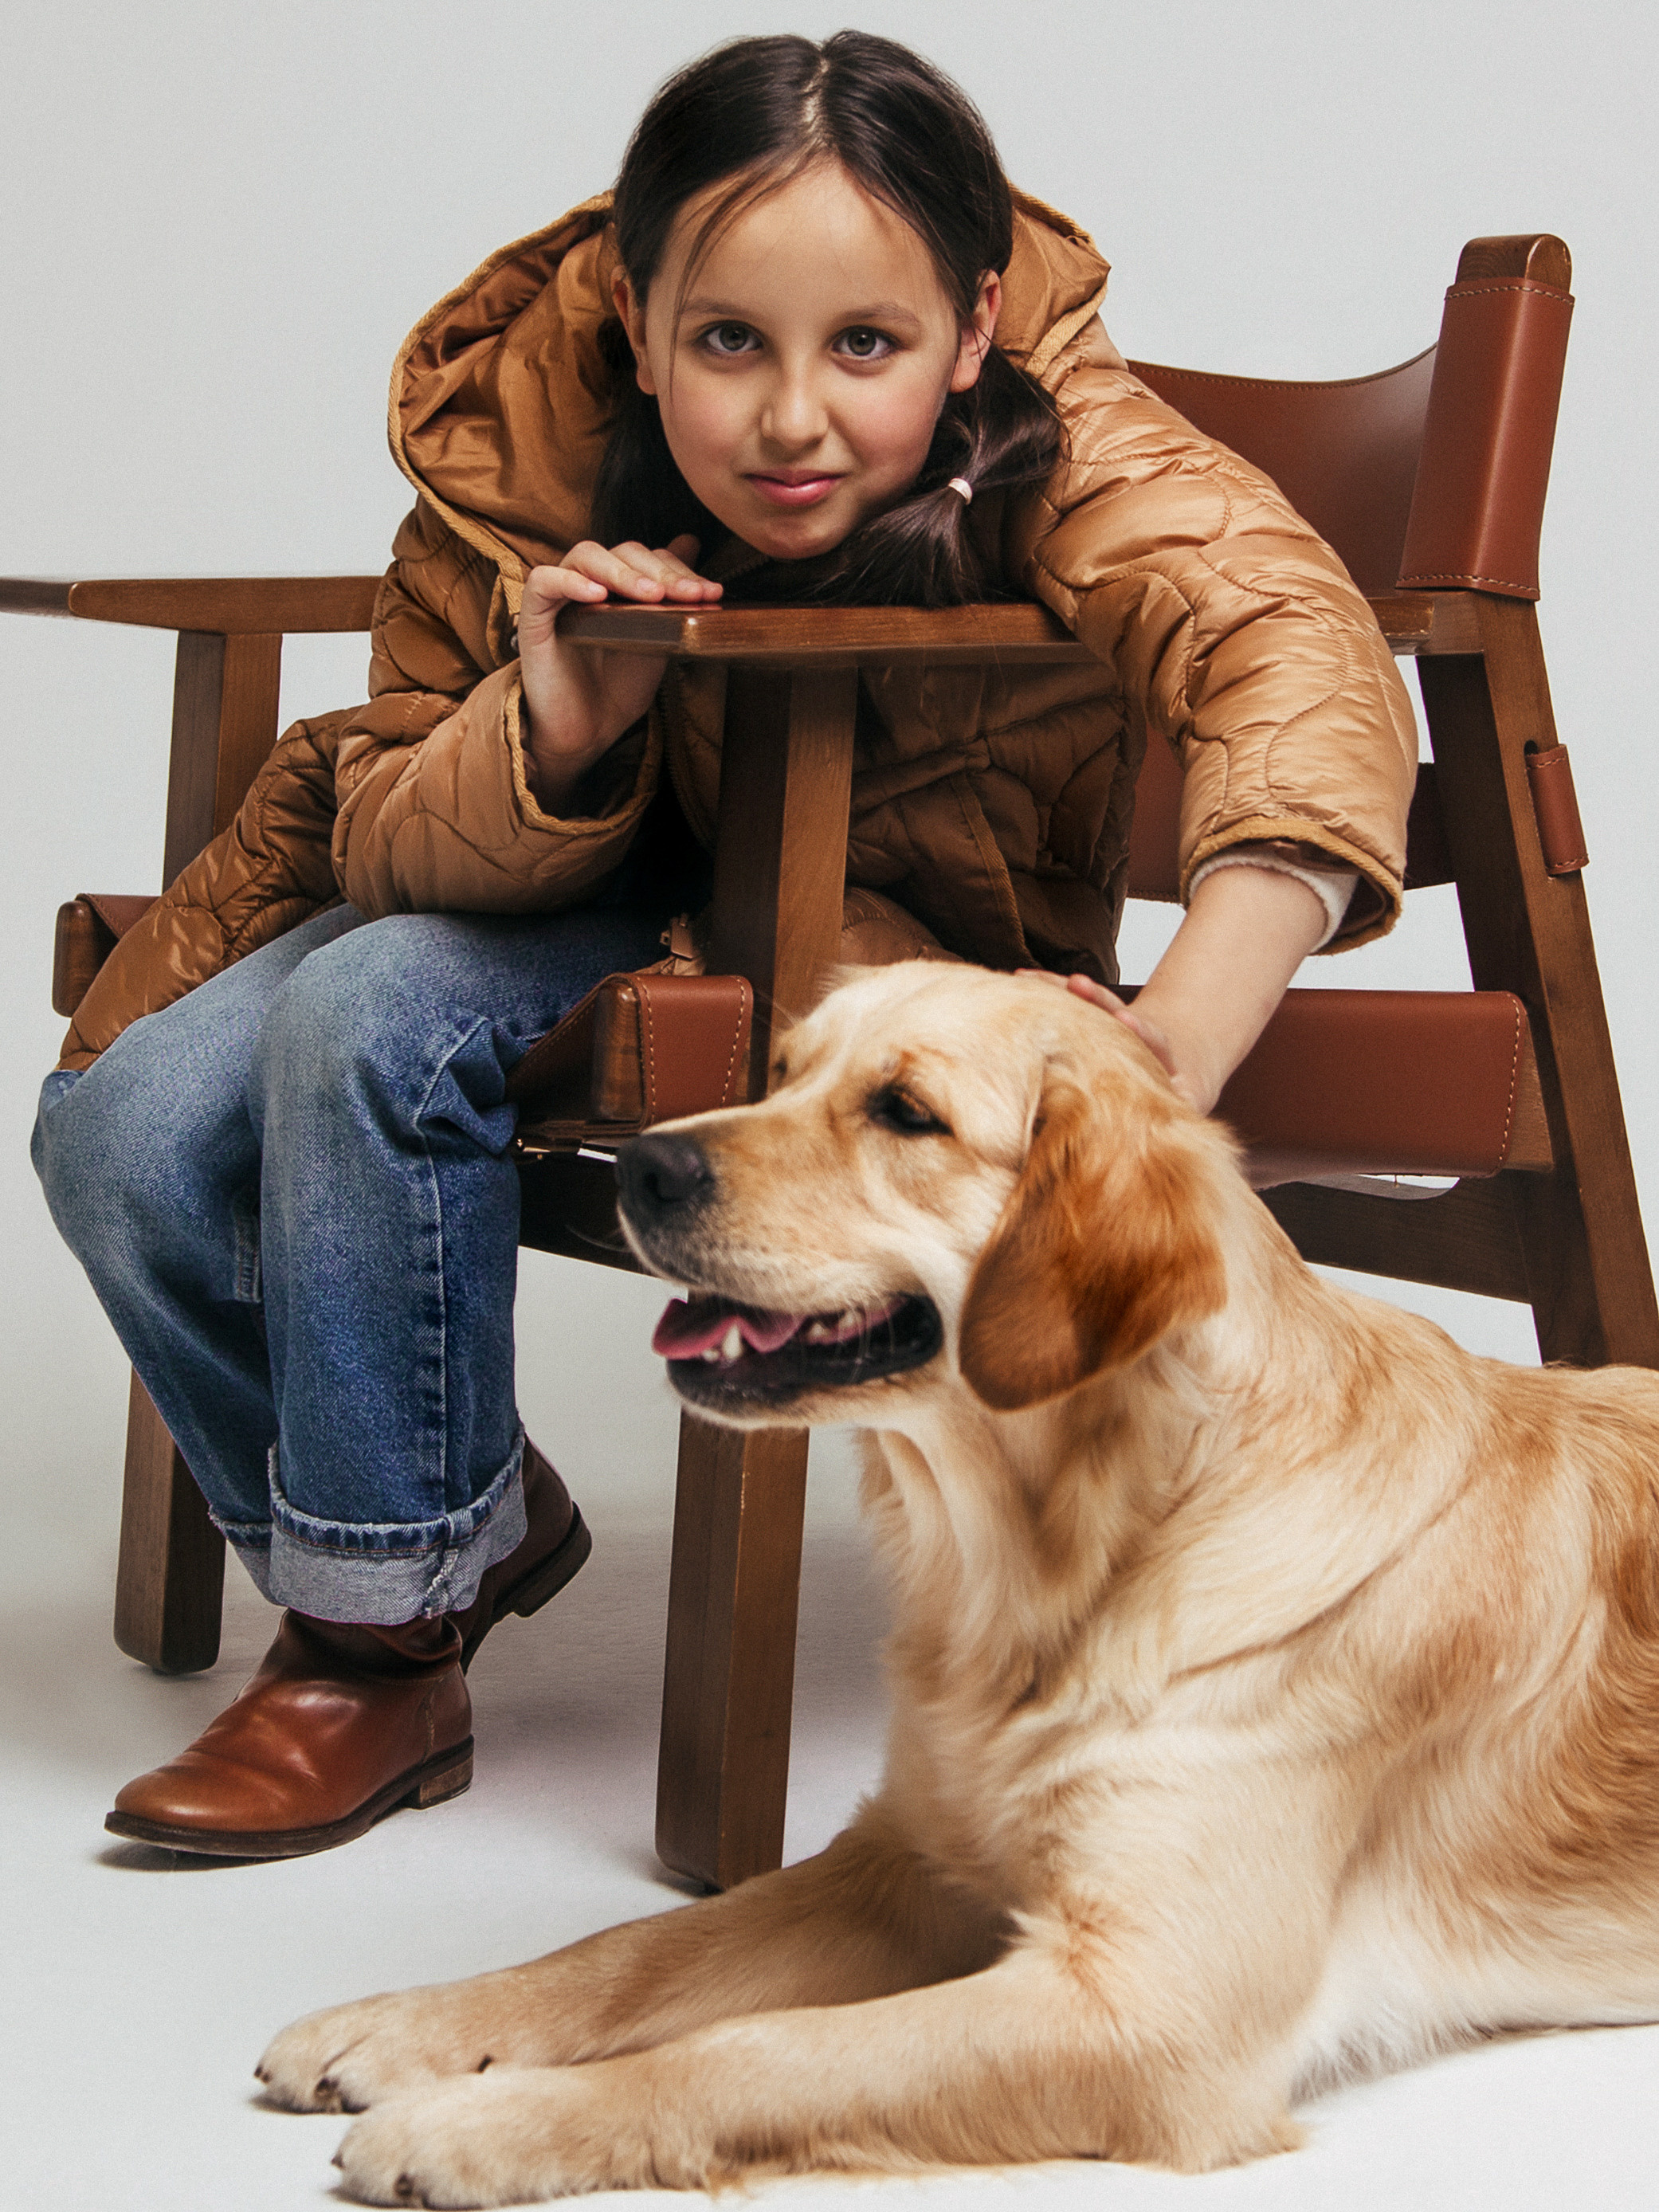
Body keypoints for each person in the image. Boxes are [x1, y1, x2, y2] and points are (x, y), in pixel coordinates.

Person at [32, 30, 1415, 1860]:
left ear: (975, 323)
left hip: (850, 930)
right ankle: (455, 1521)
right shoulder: (514, 438)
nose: (791, 420)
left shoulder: (1074, 435)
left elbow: (1288, 644)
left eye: (868, 346)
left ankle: (374, 1640)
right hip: (544, 886)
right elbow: (384, 811)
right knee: (116, 1128)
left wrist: (1181, 1029)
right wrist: (563, 724)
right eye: (728, 341)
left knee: (369, 1017)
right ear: (634, 305)